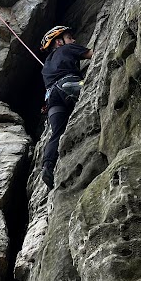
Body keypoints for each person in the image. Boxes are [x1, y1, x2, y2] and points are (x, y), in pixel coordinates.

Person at [40, 25, 92, 189]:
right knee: (92, 98)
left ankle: (48, 166)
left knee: (57, 133)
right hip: (68, 84)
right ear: (59, 42)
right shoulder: (67, 48)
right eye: (69, 37)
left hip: (51, 99)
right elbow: (93, 54)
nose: (73, 40)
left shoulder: (46, 65)